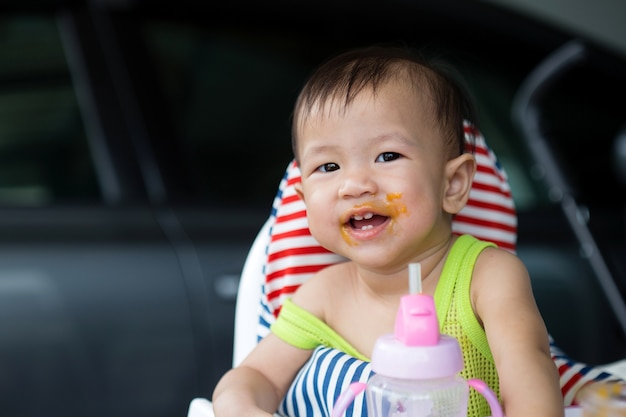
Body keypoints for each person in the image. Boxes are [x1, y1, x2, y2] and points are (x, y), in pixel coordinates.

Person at [212, 45, 564, 417]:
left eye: (387, 156)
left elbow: (531, 374)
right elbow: (255, 375)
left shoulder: (487, 277)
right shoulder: (322, 296)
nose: (355, 185)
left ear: (454, 184)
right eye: (329, 166)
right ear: (303, 199)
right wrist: (242, 406)